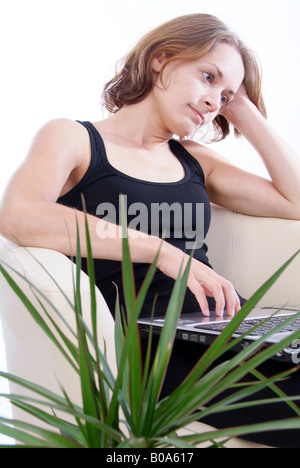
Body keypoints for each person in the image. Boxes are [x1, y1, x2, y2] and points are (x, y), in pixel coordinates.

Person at [0, 13, 300, 446]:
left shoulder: (195, 159)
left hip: (224, 331)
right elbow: (19, 215)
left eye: (225, 93)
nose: (214, 99)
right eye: (207, 76)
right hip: (151, 345)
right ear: (161, 60)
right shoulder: (74, 139)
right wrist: (162, 251)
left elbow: (295, 202)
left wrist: (243, 109)